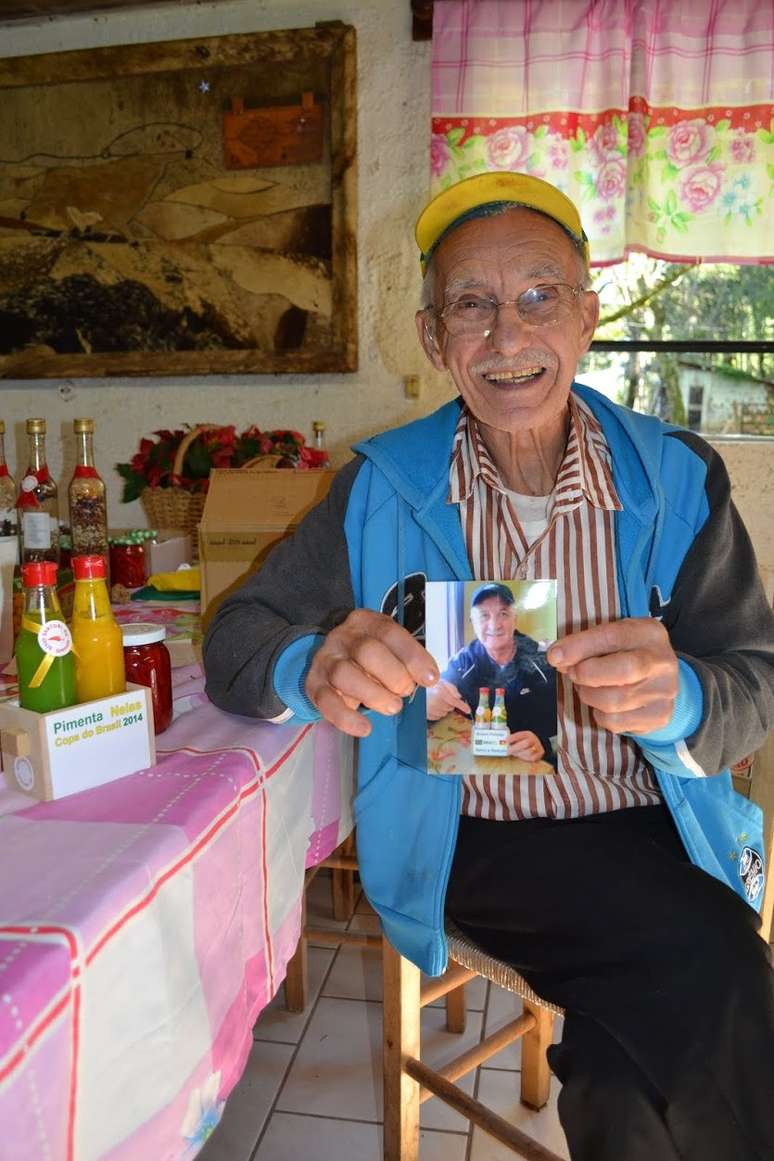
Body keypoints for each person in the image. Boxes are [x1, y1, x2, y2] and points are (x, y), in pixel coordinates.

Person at [203, 171, 774, 1160]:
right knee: (714, 957)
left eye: (540, 297)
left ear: (589, 317)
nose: (509, 338)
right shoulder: (383, 487)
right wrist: (312, 665)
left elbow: (755, 680)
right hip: (475, 833)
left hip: (655, 822)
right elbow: (234, 639)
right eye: (473, 304)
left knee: (627, 1077)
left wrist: (684, 696)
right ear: (434, 339)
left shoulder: (673, 473)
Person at [427, 581, 556, 766]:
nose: (494, 625)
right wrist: (428, 702)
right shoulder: (464, 660)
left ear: (515, 619)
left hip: (533, 768)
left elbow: (565, 735)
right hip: (479, 764)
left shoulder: (542, 662)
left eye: (503, 614)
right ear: (473, 621)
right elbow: (437, 695)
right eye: (484, 615)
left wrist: (545, 744)